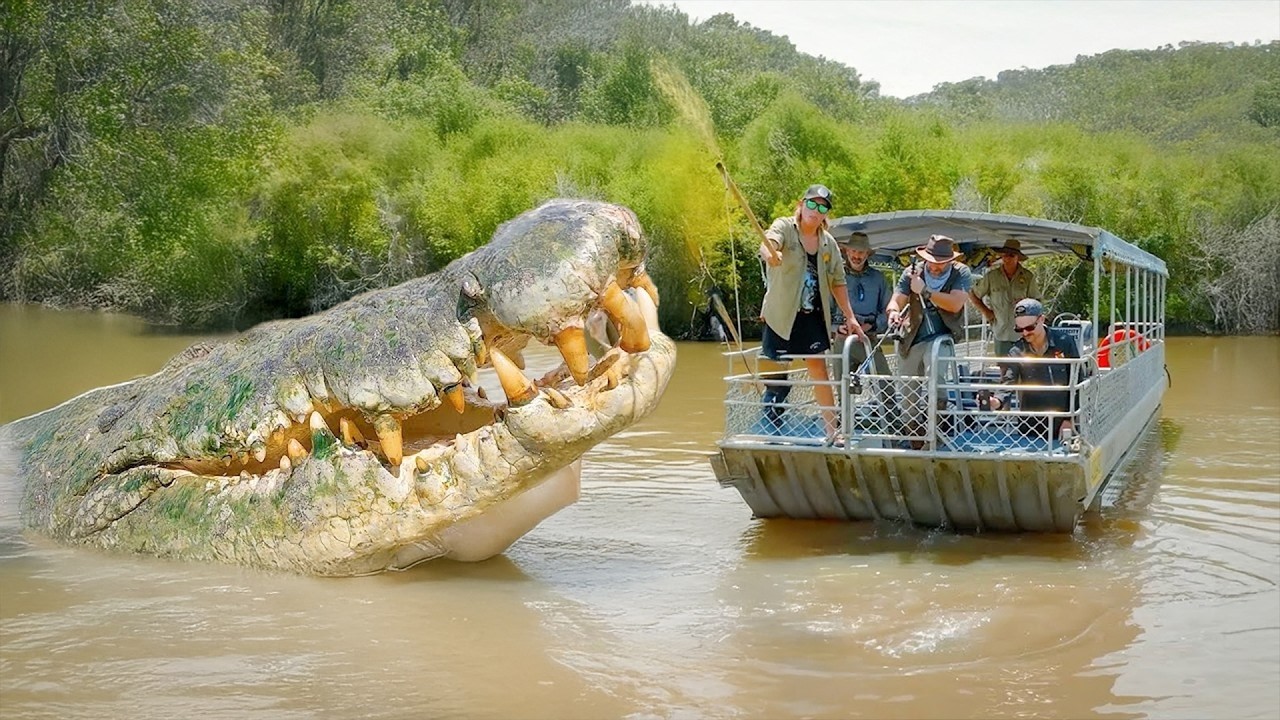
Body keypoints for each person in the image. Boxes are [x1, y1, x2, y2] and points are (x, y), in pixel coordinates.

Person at [758, 184, 865, 438]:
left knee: (820, 371)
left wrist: (850, 317)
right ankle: (771, 431)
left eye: (822, 208)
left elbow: (838, 282)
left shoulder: (828, 244)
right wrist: (770, 255)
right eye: (812, 204)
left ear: (826, 214)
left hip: (812, 315)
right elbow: (768, 243)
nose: (815, 211)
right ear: (801, 204)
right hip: (781, 315)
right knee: (776, 376)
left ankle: (832, 432)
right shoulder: (784, 226)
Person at [883, 234, 972, 445]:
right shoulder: (911, 273)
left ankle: (935, 431)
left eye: (940, 263)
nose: (934, 266)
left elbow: (955, 304)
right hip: (912, 337)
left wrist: (925, 291)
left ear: (950, 260)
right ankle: (914, 434)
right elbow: (897, 299)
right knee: (907, 387)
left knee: (936, 376)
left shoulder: (961, 274)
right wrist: (893, 312)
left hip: (942, 336)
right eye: (931, 262)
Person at [979, 298, 1085, 443]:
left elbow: (1077, 381)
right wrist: (995, 401)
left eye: (1029, 328)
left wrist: (1070, 419)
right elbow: (1008, 383)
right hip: (1029, 427)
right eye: (1019, 329)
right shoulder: (1016, 351)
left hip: (1062, 425)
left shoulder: (1065, 342)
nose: (1025, 333)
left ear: (1041, 319)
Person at [831, 232, 892, 402]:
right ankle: (842, 425)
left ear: (867, 254)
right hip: (842, 342)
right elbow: (824, 311)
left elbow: (888, 312)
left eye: (861, 252)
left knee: (885, 385)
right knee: (843, 390)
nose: (856, 256)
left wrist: (871, 326)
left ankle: (892, 424)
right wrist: (836, 328)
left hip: (868, 340)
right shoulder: (834, 277)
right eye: (853, 251)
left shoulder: (878, 279)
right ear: (847, 252)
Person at [970, 238, 1039, 356]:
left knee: (1025, 369)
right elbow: (973, 295)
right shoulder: (991, 276)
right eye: (1004, 255)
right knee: (1003, 369)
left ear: (1018, 258)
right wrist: (987, 313)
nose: (1007, 258)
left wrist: (1026, 304)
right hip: (1000, 332)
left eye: (1011, 255)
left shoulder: (1028, 277)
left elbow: (1037, 303)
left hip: (1023, 334)